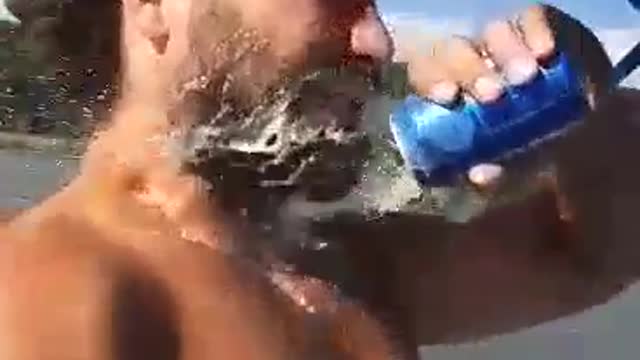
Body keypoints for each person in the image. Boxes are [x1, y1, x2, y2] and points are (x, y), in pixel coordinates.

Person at [2, 0, 639, 359]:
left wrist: (581, 84)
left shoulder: (345, 265)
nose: (379, 44)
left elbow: (591, 255)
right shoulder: (49, 297)